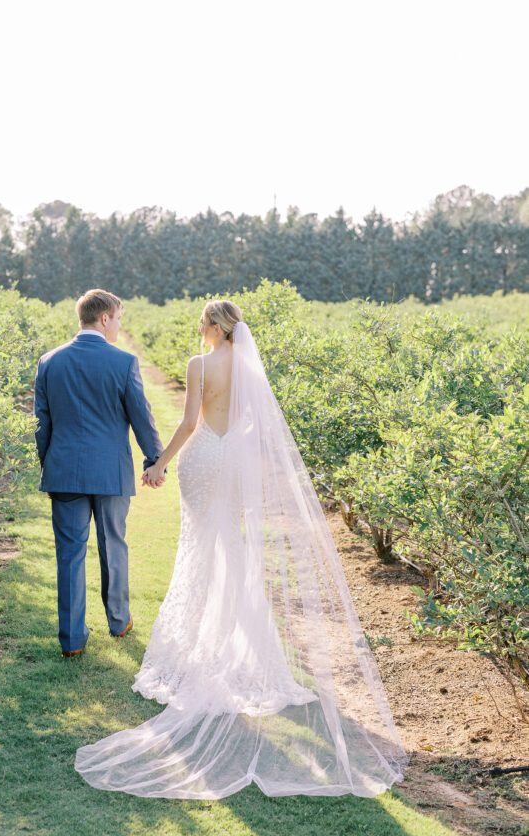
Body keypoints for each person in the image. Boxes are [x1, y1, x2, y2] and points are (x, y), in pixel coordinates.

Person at [75, 300, 408, 799]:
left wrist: (158, 464)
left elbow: (190, 425)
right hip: (236, 463)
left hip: (206, 460)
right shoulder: (249, 367)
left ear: (215, 326)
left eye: (201, 323)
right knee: (232, 552)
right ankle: (245, 653)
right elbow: (257, 426)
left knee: (202, 552)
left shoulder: (199, 365)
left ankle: (204, 655)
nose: (197, 330)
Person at [34, 288, 164, 657]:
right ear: (104, 318)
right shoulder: (124, 362)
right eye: (119, 319)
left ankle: (72, 640)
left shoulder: (49, 361)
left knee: (70, 554)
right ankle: (119, 621)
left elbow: (40, 423)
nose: (120, 327)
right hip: (111, 472)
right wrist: (154, 460)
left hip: (64, 471)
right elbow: (142, 416)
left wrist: (49, 464)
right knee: (114, 545)